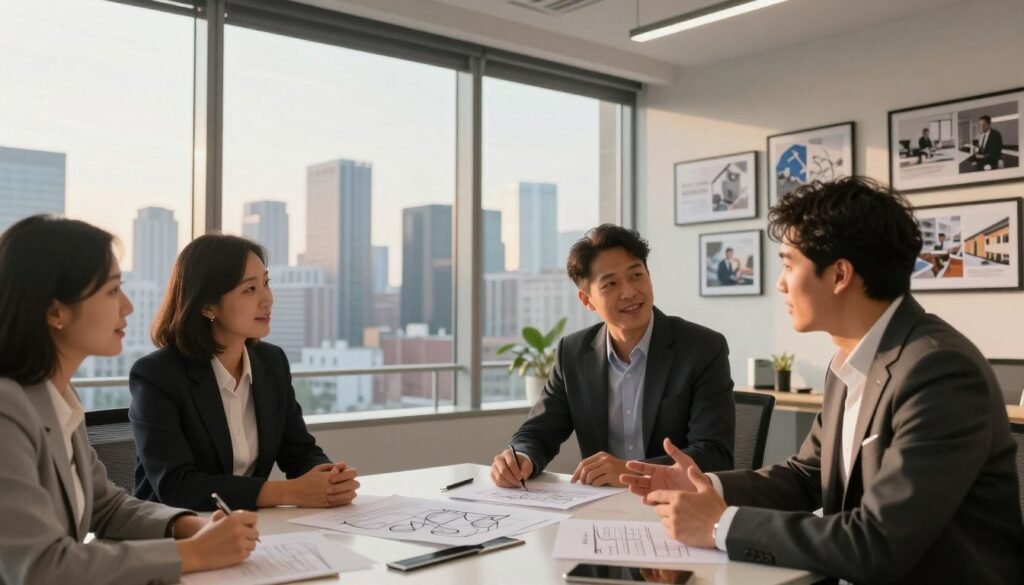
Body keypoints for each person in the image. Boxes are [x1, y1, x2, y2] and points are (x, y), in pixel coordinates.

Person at [620, 177, 1024, 583]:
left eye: (789, 264)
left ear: (839, 275)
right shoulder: (848, 363)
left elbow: (879, 542)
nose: (780, 283)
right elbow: (806, 476)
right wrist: (705, 485)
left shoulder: (938, 371)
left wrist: (720, 525)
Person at [0, 215, 258, 584]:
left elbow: (106, 506)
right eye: (111, 290)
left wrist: (191, 526)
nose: (128, 307)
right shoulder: (7, 408)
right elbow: (41, 567)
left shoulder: (57, 394)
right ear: (55, 311)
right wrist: (194, 553)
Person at [490, 224, 735, 489]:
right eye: (610, 283)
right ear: (587, 300)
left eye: (636, 275)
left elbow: (714, 454)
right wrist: (520, 457)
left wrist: (631, 473)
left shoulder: (702, 348)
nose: (629, 291)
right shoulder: (572, 353)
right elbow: (538, 432)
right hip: (603, 509)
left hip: (678, 506)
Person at [130, 234, 359, 511]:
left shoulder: (271, 362)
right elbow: (178, 487)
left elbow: (299, 451)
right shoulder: (158, 375)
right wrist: (289, 493)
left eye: (266, 283)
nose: (268, 299)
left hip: (248, 528)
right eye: (250, 289)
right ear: (207, 306)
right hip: (175, 535)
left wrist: (327, 479)